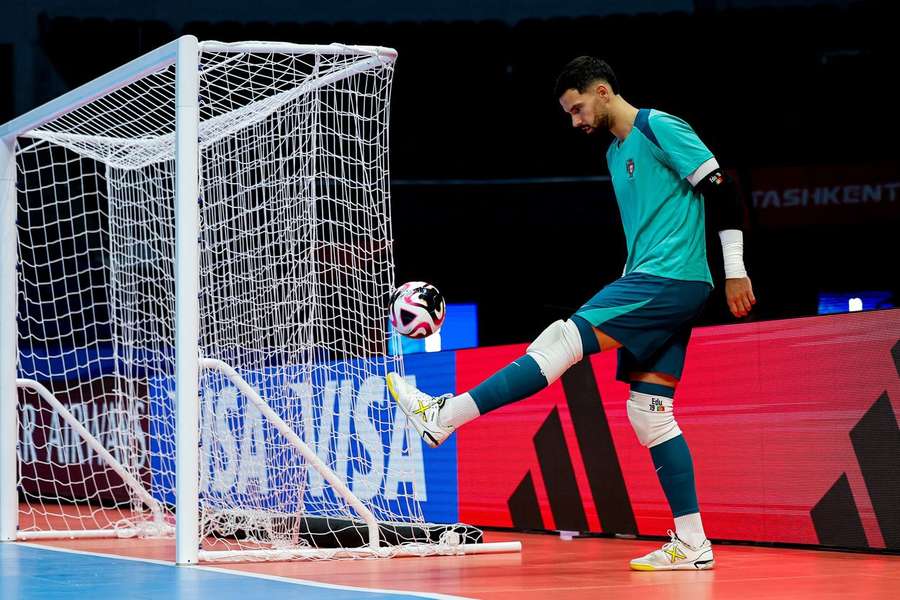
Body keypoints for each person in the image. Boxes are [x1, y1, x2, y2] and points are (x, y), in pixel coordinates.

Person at [386, 56, 755, 571]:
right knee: (649, 413)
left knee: (561, 339)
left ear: (602, 92)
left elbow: (723, 189)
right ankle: (693, 545)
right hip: (655, 279)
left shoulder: (658, 126)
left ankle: (444, 416)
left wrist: (735, 269)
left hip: (669, 281)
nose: (575, 121)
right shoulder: (613, 155)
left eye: (577, 108)